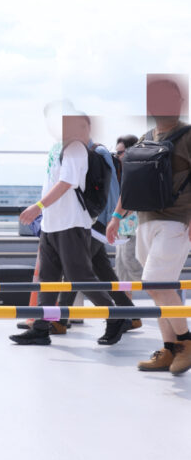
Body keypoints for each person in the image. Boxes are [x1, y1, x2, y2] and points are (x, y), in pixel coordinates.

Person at [10, 114, 129, 346]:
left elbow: (66, 183)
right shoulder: (58, 147)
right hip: (52, 223)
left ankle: (115, 316)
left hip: (71, 223)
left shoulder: (76, 148)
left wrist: (38, 206)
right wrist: (43, 213)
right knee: (48, 278)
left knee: (79, 276)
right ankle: (41, 327)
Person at [106, 76, 191, 374]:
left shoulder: (188, 136)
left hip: (176, 222)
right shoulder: (145, 138)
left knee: (155, 283)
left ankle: (186, 342)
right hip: (144, 222)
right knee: (158, 289)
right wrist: (116, 216)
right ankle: (169, 349)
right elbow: (131, 184)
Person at [53, 132, 140, 344]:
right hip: (90, 221)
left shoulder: (98, 152)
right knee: (102, 270)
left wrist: (109, 220)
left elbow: (111, 190)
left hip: (97, 221)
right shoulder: (85, 153)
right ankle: (131, 314)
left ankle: (60, 320)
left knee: (75, 268)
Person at [112, 134, 143, 282]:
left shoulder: (139, 170)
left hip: (134, 228)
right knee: (121, 273)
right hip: (122, 228)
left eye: (120, 152)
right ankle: (125, 300)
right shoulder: (121, 172)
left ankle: (163, 292)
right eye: (116, 153)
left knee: (134, 266)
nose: (117, 156)